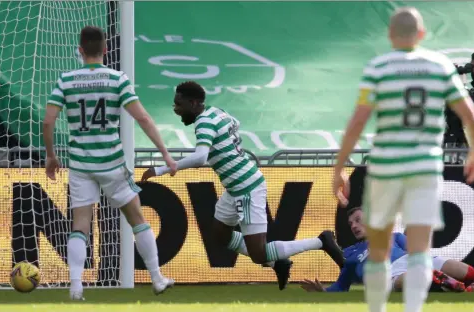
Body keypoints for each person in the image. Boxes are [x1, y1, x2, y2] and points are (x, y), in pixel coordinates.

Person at [332, 7, 474, 312]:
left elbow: (358, 121)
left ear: (390, 35)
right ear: (422, 35)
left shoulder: (379, 67)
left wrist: (340, 168)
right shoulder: (440, 65)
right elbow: (471, 117)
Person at [141, 80, 345, 290]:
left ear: (193, 103)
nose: (175, 109)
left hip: (246, 188)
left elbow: (200, 158)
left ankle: (321, 241)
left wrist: (162, 169)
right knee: (220, 235)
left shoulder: (204, 122)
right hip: (234, 187)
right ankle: (279, 262)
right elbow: (235, 124)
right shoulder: (216, 112)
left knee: (258, 254)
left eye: (178, 104)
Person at [42, 26, 178, 300]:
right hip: (112, 164)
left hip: (81, 164)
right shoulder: (117, 79)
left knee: (80, 224)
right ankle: (156, 278)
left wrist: (51, 155)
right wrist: (165, 153)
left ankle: (76, 285)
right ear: (106, 50)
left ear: (80, 50)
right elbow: (142, 118)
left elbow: (48, 120)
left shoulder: (66, 80)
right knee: (137, 218)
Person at [299, 207, 474, 293]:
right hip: (389, 276)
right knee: (408, 279)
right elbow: (342, 286)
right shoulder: (349, 253)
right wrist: (323, 291)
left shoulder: (394, 236)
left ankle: (456, 282)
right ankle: (443, 282)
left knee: (469, 272)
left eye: (358, 220)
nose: (354, 226)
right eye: (350, 224)